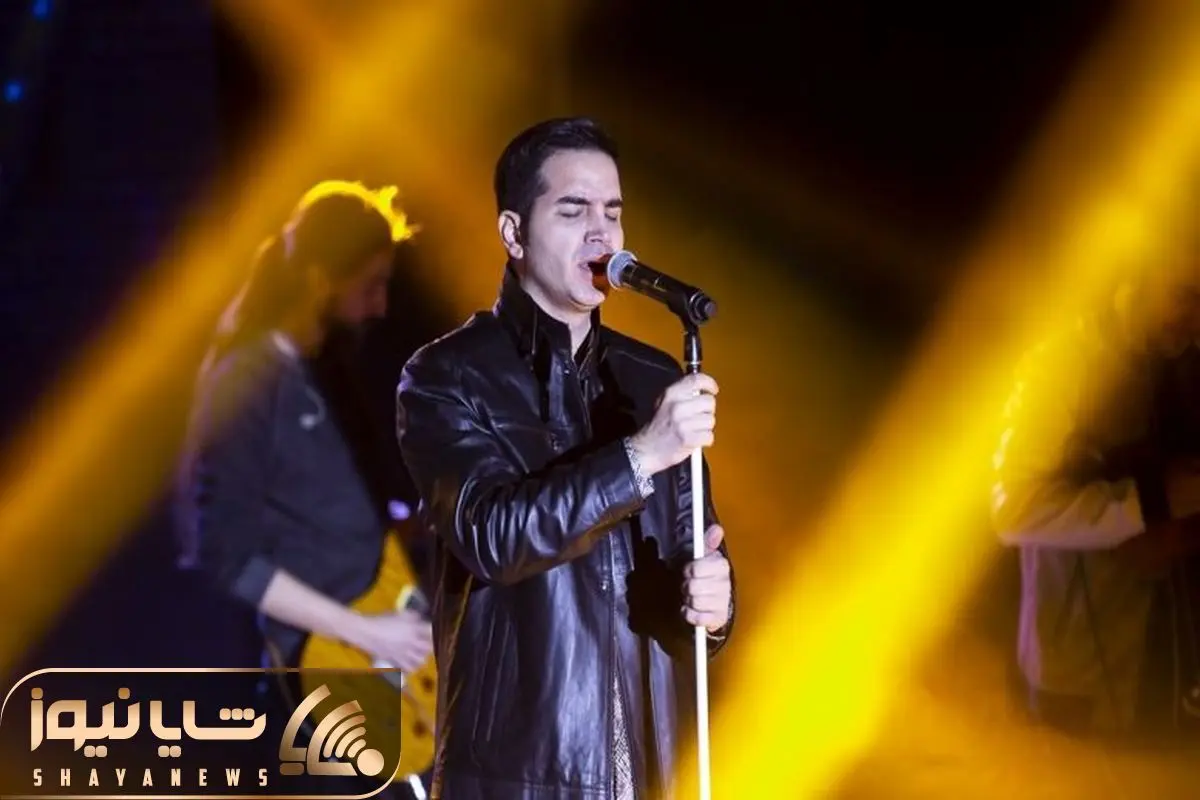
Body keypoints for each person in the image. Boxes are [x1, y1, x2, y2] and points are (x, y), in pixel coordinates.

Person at [394, 117, 736, 800]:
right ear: (514, 232)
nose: (601, 234)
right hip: (520, 776)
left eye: (612, 211)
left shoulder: (651, 379)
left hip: (645, 767)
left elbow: (691, 558)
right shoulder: (446, 376)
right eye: (574, 211)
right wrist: (639, 455)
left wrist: (713, 603)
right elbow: (492, 537)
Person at [177, 180, 435, 797]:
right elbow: (227, 556)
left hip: (385, 665)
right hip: (324, 681)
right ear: (322, 280)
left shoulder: (319, 376)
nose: (380, 307)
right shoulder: (245, 381)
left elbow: (326, 516)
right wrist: (365, 632)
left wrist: (412, 527)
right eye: (370, 286)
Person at [991, 258, 1200, 745]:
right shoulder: (1059, 366)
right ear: (1133, 275)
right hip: (1079, 682)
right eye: (1184, 296)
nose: (1195, 320)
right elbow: (1013, 509)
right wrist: (1147, 508)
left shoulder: (1178, 359)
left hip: (1168, 676)